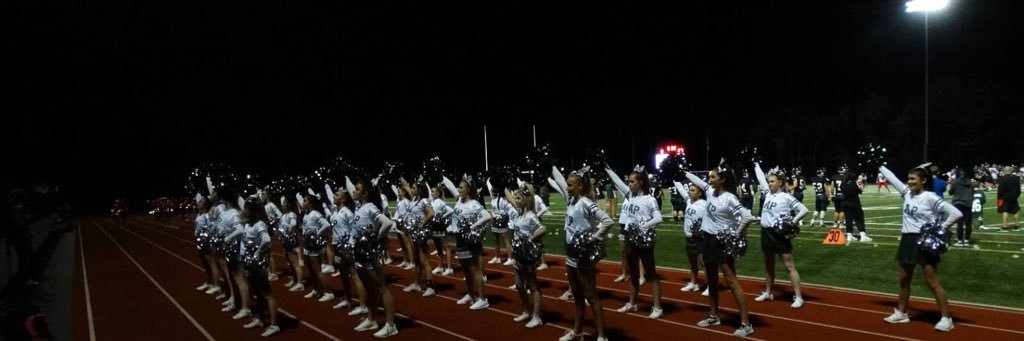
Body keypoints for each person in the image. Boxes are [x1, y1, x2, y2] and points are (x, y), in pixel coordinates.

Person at [878, 164, 961, 332]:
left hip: (924, 241)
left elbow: (956, 213)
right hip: (907, 239)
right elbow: (892, 176)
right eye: (908, 178)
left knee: (932, 281)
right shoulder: (906, 192)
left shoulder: (930, 197)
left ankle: (946, 318)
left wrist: (941, 229)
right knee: (903, 279)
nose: (909, 182)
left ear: (923, 180)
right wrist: (880, 166)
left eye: (913, 179)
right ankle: (901, 313)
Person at [685, 162, 755, 337]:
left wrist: (736, 235)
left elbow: (747, 217)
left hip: (721, 243)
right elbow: (698, 181)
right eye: (709, 177)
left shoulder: (729, 198)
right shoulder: (709, 191)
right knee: (712, 281)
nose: (709, 180)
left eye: (713, 177)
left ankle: (746, 324)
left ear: (722, 179)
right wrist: (683, 170)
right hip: (707, 241)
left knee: (731, 283)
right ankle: (713, 316)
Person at [551, 170, 614, 341]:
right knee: (577, 296)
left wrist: (595, 238)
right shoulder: (571, 201)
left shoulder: (586, 202)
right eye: (567, 184)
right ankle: (577, 332)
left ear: (580, 186)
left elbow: (607, 220)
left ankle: (602, 336)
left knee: (591, 296)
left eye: (570, 185)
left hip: (583, 255)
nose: (567, 187)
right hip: (570, 254)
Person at [752, 163, 810, 308]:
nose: (769, 184)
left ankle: (798, 297)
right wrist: (756, 165)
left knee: (789, 266)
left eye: (772, 181)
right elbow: (761, 179)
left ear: (780, 182)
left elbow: (803, 210)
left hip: (779, 234)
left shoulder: (786, 197)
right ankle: (768, 292)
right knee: (768, 266)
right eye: (769, 181)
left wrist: (792, 223)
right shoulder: (767, 193)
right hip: (766, 233)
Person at [610, 170, 664, 319]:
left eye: (632, 181)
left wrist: (643, 227)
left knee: (651, 274)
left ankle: (657, 307)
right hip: (629, 239)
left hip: (643, 240)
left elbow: (658, 218)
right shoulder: (629, 195)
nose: (629, 184)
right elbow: (617, 181)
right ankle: (632, 303)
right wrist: (605, 167)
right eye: (629, 181)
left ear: (640, 182)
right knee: (633, 273)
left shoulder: (649, 199)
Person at [350, 180, 400, 338]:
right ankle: (372, 319)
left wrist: (376, 239)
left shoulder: (370, 207)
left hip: (370, 254)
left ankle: (391, 325)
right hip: (359, 253)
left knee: (381, 288)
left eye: (356, 189)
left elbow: (387, 223)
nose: (353, 191)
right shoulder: (360, 208)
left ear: (364, 193)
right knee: (369, 288)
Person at [239, 198, 281, 337]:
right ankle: (259, 318)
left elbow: (266, 240)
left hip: (257, 264)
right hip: (249, 263)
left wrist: (257, 254)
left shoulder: (259, 225)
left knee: (267, 294)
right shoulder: (248, 224)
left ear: (253, 210)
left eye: (246, 208)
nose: (244, 210)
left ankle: (274, 325)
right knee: (256, 292)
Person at [509, 189, 546, 329]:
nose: (516, 201)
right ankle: (526, 311)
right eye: (515, 199)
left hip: (526, 255)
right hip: (518, 254)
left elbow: (542, 229)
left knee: (533, 286)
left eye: (518, 199)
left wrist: (530, 239)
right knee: (519, 285)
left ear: (525, 200)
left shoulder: (530, 216)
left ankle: (536, 317)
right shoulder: (519, 214)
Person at [673, 180, 705, 294]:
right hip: (690, 237)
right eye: (689, 190)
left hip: (700, 239)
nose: (689, 192)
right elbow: (681, 189)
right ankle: (693, 283)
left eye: (692, 190)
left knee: (703, 263)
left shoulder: (704, 204)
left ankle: (711, 286)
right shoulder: (689, 202)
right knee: (693, 264)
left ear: (700, 193)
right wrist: (675, 178)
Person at [841, 172, 872, 243]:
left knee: (848, 220)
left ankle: (849, 236)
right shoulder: (854, 183)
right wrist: (861, 185)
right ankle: (863, 236)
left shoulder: (843, 184)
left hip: (845, 204)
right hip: (855, 204)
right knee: (859, 219)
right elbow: (860, 191)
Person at [948, 169, 974, 245]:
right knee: (968, 223)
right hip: (968, 204)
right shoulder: (970, 182)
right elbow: (972, 192)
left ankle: (959, 240)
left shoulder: (955, 181)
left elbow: (950, 192)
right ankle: (967, 240)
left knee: (960, 223)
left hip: (958, 203)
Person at [997, 166, 1021, 231]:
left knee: (1005, 210)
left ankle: (1005, 226)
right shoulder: (1016, 178)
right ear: (1011, 171)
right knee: (1016, 210)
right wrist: (1017, 196)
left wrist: (999, 198)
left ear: (1005, 171)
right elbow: (1019, 189)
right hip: (1014, 197)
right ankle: (1017, 225)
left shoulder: (1002, 179)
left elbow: (1000, 190)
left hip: (1005, 197)